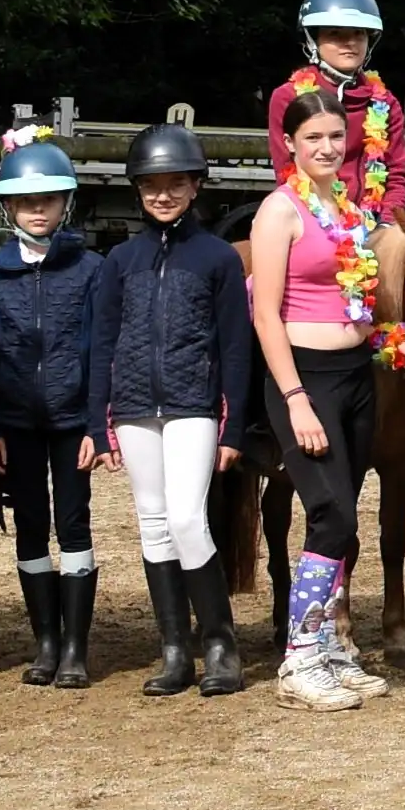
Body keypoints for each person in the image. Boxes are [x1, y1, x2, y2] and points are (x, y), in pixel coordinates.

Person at [251, 89, 405, 711]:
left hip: (357, 372)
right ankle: (299, 658)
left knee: (342, 515)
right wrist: (294, 398)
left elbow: (357, 304)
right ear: (291, 145)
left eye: (335, 137)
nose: (326, 148)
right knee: (331, 514)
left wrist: (394, 345)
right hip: (307, 375)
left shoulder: (351, 213)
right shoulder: (281, 212)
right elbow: (266, 315)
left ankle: (328, 646)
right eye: (313, 140)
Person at [93, 122, 255, 699]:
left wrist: (232, 424)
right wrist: (100, 419)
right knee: (154, 526)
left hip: (193, 404)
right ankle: (172, 647)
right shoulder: (120, 260)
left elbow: (236, 347)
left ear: (194, 187)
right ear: (137, 189)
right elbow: (102, 342)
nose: (163, 195)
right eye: (152, 185)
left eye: (175, 184)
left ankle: (219, 642)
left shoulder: (217, 259)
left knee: (188, 518)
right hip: (134, 406)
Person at [0, 136, 106, 688]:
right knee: (30, 526)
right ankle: (46, 642)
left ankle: (76, 647)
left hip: (72, 421)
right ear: (8, 207)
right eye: (26, 201)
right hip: (15, 425)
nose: (37, 209)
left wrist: (97, 428)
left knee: (73, 522)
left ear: (65, 204)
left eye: (49, 199)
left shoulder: (91, 269)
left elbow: (102, 352)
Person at [265, 0, 405, 224]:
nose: (350, 43)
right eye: (336, 34)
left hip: (375, 224)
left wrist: (386, 225)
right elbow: (287, 172)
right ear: (313, 40)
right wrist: (328, 222)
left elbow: (396, 174)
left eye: (359, 33)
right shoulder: (288, 97)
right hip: (312, 219)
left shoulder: (386, 102)